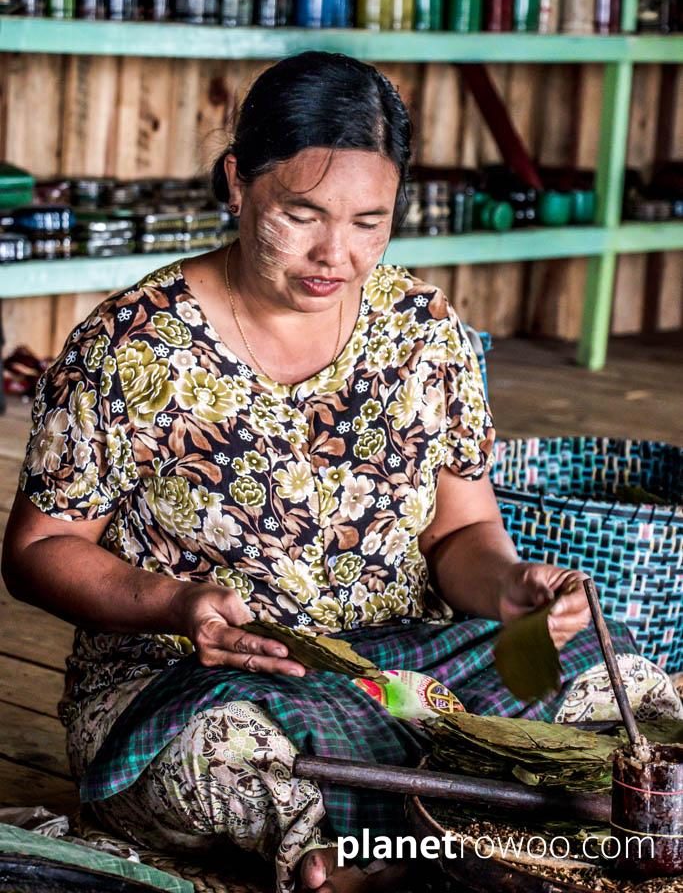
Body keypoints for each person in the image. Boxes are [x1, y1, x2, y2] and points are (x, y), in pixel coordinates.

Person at [3, 52, 681, 893]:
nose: (336, 253)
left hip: (406, 671)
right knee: (220, 759)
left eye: (369, 221)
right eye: (302, 213)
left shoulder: (422, 330)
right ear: (237, 184)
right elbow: (39, 548)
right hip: (206, 680)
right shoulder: (131, 343)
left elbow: (461, 532)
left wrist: (508, 587)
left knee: (626, 689)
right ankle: (432, 840)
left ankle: (411, 839)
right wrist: (174, 605)